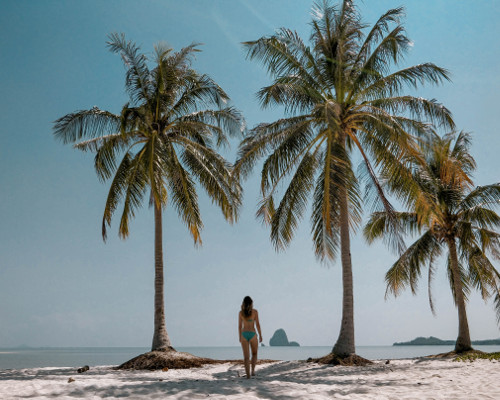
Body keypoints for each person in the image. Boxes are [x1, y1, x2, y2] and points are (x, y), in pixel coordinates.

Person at [238, 296, 262, 378]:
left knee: (246, 357)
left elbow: (239, 326)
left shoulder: (241, 313)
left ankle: (248, 376)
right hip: (252, 334)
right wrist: (260, 335)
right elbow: (258, 324)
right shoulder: (255, 312)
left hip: (244, 334)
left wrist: (239, 337)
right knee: (254, 353)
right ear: (251, 303)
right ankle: (252, 371)